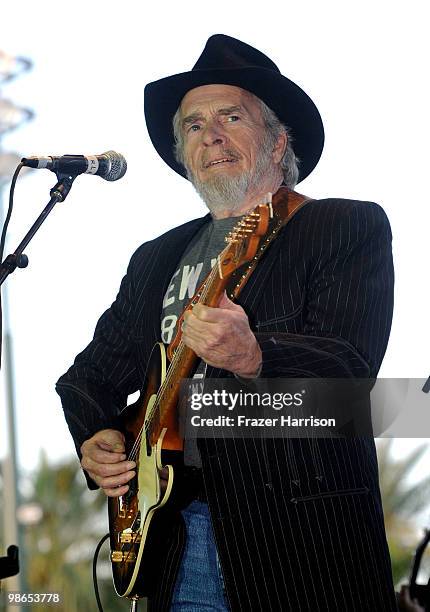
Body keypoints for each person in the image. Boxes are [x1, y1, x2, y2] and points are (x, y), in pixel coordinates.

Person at [56, 34, 397, 611]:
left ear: (277, 139)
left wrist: (256, 355)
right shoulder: (157, 257)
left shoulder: (343, 226)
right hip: (174, 538)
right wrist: (97, 436)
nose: (209, 134)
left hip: (300, 545)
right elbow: (87, 377)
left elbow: (352, 373)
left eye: (230, 116)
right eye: (192, 125)